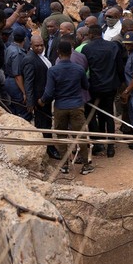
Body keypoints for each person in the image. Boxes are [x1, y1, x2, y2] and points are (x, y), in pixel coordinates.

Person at [39, 41, 94, 174]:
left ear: (58, 52)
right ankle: (86, 165)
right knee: (80, 135)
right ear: (71, 52)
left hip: (60, 107)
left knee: (61, 135)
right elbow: (86, 86)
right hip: (77, 106)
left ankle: (64, 165)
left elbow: (49, 92)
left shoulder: (53, 70)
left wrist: (42, 101)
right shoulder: (79, 69)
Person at [81, 24, 120, 157]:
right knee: (108, 115)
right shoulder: (113, 46)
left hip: (95, 87)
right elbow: (119, 67)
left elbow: (85, 69)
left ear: (90, 35)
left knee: (92, 114)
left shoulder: (87, 48)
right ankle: (110, 147)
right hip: (110, 87)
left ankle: (98, 144)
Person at [22, 35, 61, 159]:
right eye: (36, 46)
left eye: (41, 45)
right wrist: (30, 100)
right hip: (39, 99)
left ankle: (48, 146)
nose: (39, 48)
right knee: (42, 124)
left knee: (47, 122)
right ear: (31, 46)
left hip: (46, 97)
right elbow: (28, 82)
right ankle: (48, 148)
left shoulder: (42, 57)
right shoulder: (30, 59)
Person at [4, 31, 28, 118]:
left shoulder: (9, 47)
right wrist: (24, 92)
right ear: (24, 39)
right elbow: (17, 75)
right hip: (15, 83)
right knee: (23, 111)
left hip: (9, 80)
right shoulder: (18, 53)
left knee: (14, 109)